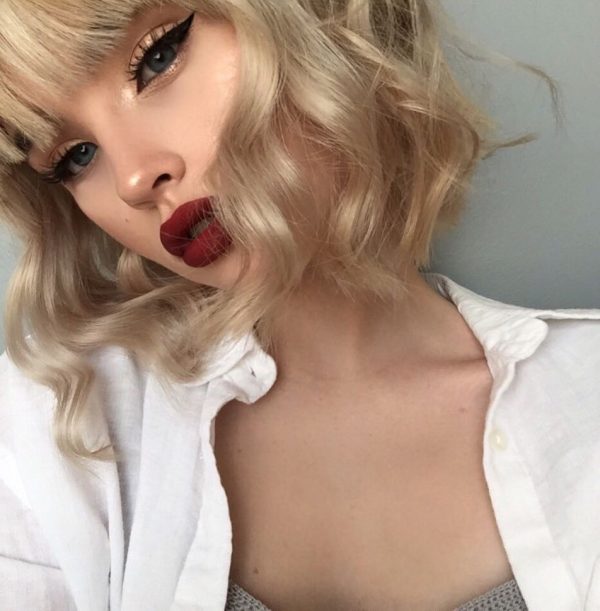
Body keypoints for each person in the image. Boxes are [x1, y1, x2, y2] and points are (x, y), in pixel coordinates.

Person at [0, 1, 598, 610]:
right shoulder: (55, 428)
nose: (132, 179)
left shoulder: (586, 398)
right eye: (76, 156)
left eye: (158, 57)